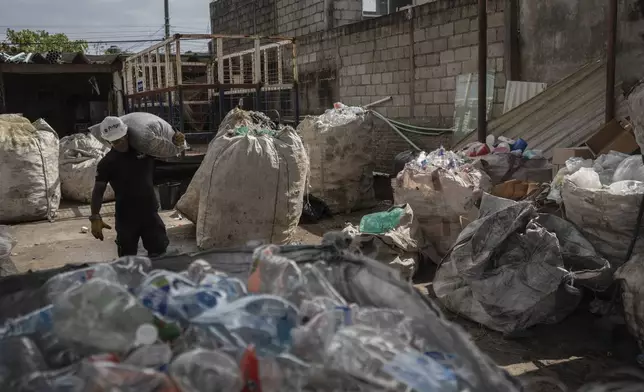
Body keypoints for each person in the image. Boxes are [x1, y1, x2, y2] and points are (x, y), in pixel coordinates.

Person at [89, 116, 185, 257]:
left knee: (159, 252)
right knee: (127, 258)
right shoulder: (107, 163)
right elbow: (98, 190)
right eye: (115, 141)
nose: (120, 143)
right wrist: (95, 216)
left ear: (127, 133)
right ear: (108, 141)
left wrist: (177, 141)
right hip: (126, 217)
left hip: (150, 213)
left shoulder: (145, 150)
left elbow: (172, 154)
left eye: (122, 138)